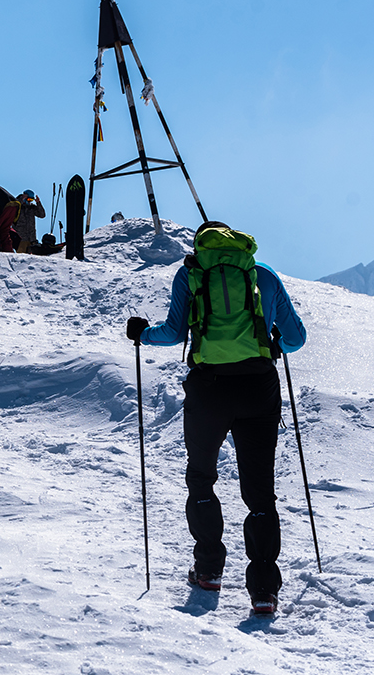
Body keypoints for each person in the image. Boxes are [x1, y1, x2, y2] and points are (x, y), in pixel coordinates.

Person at [126, 221, 307, 616]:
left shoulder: (191, 274)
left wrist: (142, 334)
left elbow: (174, 333)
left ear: (201, 247)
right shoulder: (262, 275)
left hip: (208, 389)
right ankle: (264, 589)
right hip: (258, 386)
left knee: (201, 475)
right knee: (260, 490)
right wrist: (273, 342)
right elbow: (296, 339)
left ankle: (209, 569)